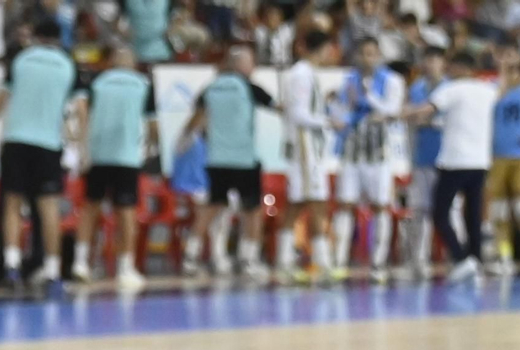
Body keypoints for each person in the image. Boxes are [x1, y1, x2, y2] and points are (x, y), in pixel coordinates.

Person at [0, 18, 78, 288]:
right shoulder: (67, 66)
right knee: (49, 208)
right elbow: (77, 107)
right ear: (58, 40)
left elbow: (0, 99)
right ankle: (53, 272)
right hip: (48, 143)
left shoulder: (22, 61)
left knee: (13, 203)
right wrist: (78, 140)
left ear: (35, 37)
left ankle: (12, 267)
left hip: (16, 141)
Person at [176, 45, 275, 280]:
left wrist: (184, 142)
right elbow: (277, 106)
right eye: (251, 63)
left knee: (211, 207)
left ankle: (191, 257)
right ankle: (248, 260)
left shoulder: (210, 89)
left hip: (217, 159)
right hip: (244, 159)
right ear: (241, 65)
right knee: (252, 210)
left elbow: (195, 121)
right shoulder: (250, 88)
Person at [407, 50, 497, 281]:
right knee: (473, 215)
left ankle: (460, 257)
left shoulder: (450, 89)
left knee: (439, 213)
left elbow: (427, 109)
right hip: (480, 161)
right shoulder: (488, 90)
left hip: (455, 161)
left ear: (458, 68)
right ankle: (475, 260)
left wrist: (399, 114)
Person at [74, 43, 156, 290]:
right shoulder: (143, 85)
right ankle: (125, 268)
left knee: (90, 208)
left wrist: (83, 148)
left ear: (111, 61)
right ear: (132, 63)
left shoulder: (97, 83)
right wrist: (151, 147)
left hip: (99, 154)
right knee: (126, 212)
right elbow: (152, 124)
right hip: (127, 156)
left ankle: (80, 263)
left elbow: (83, 114)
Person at [329, 36, 404, 283]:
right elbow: (342, 111)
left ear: (379, 54)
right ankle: (339, 261)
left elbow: (391, 111)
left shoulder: (392, 80)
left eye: (372, 53)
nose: (367, 58)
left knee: (381, 204)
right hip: (353, 152)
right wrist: (338, 110)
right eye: (363, 53)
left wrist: (367, 96)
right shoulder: (348, 80)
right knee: (345, 204)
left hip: (378, 153)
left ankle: (378, 263)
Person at [277, 30, 337, 283]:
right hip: (305, 149)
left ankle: (287, 261)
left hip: (310, 147)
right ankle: (320, 263)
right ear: (322, 49)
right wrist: (327, 121)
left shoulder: (306, 74)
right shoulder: (301, 75)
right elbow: (298, 113)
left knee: (301, 202)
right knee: (313, 201)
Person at [402, 46, 446, 279]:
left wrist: (424, 118)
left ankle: (454, 257)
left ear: (443, 63)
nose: (430, 65)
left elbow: (444, 119)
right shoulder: (417, 87)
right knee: (420, 210)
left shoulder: (450, 87)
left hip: (447, 158)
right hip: (421, 157)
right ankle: (419, 260)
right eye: (427, 60)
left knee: (450, 210)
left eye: (435, 60)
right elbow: (407, 114)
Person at [485, 45, 520, 276]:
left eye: (511, 56)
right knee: (498, 211)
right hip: (496, 156)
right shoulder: (491, 88)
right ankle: (504, 256)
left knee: (519, 209)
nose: (506, 60)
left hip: (519, 157)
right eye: (502, 56)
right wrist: (503, 80)